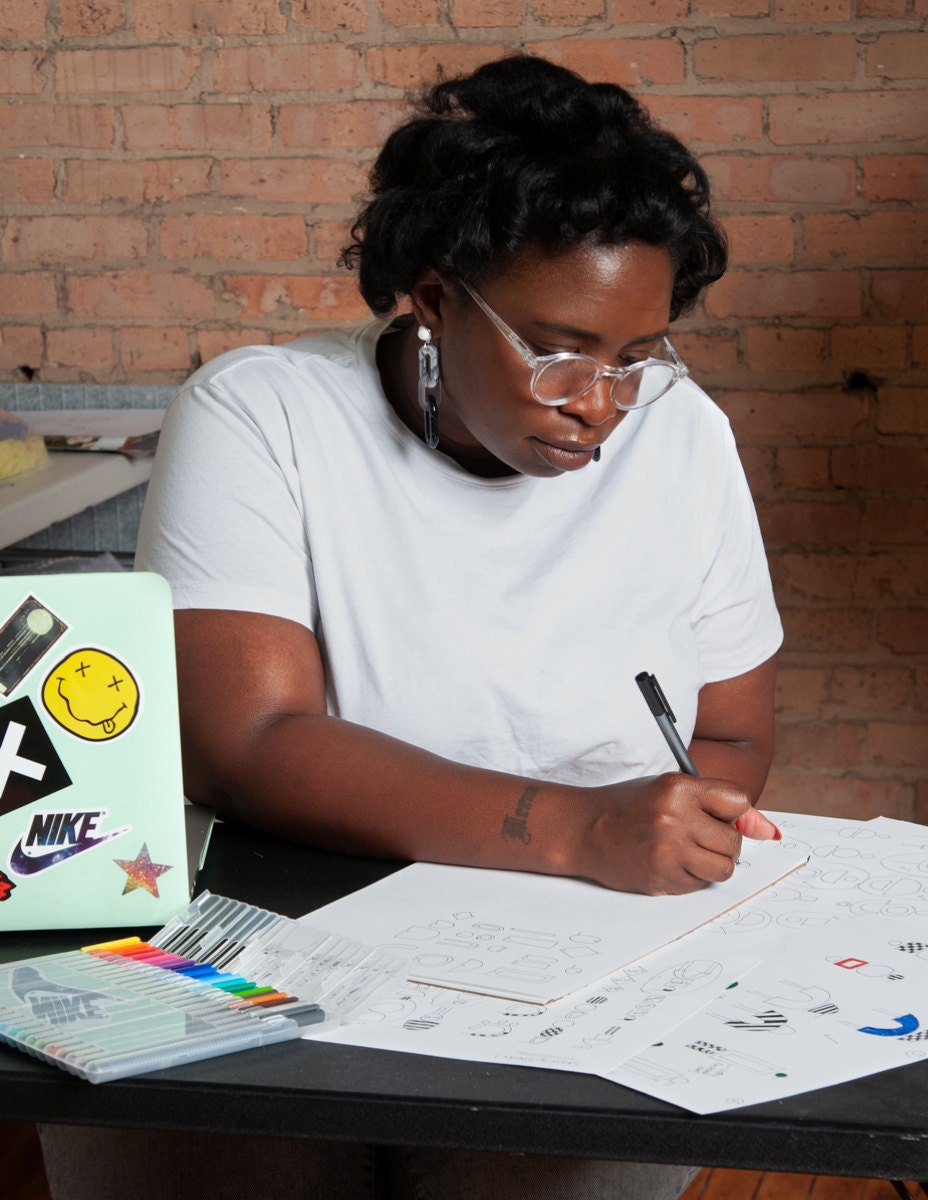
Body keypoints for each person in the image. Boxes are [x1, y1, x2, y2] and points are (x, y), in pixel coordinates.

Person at [41, 53, 783, 1200]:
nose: (598, 403)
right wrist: (582, 827)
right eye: (556, 348)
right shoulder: (263, 413)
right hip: (280, 923)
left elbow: (730, 729)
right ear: (433, 299)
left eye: (636, 357)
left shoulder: (680, 439)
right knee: (212, 1151)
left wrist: (689, 821)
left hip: (575, 947)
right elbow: (248, 741)